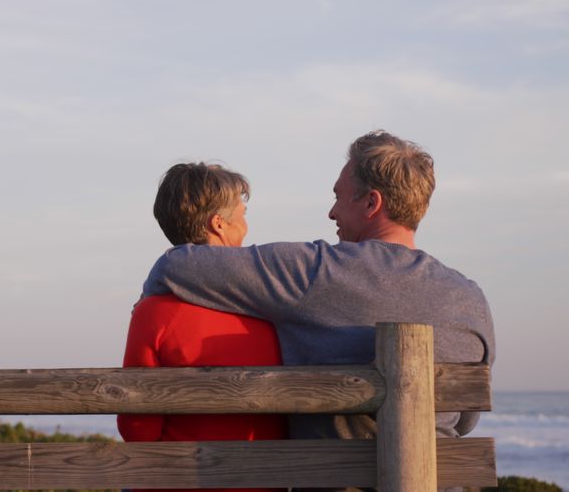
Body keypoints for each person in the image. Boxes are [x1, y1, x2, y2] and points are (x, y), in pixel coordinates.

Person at [141, 131, 495, 452]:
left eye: (339, 197)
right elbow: (465, 419)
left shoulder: (318, 272)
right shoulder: (471, 300)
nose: (331, 212)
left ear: (372, 203)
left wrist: (149, 307)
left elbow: (178, 265)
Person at [118, 163, 287, 492]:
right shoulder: (271, 307)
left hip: (177, 481)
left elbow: (137, 427)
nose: (246, 226)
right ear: (219, 224)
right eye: (243, 213)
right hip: (264, 480)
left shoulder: (153, 312)